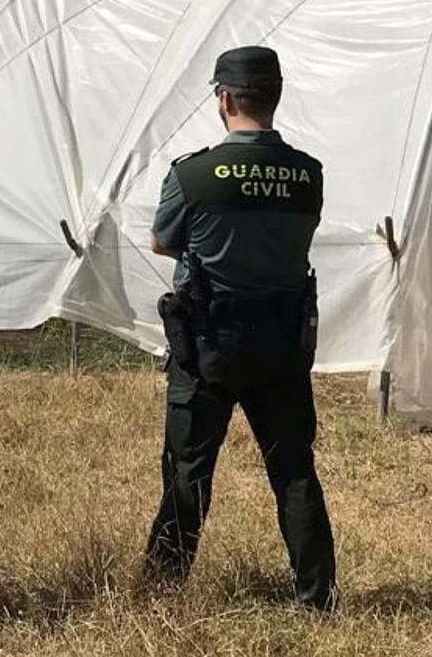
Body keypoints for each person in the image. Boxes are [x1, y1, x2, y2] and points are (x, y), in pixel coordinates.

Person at [144, 45, 337, 610]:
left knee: (188, 469)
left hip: (207, 344)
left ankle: (164, 589)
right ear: (275, 96)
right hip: (280, 343)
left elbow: (162, 239)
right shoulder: (308, 176)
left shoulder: (194, 174)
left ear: (224, 98)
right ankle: (316, 597)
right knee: (294, 471)